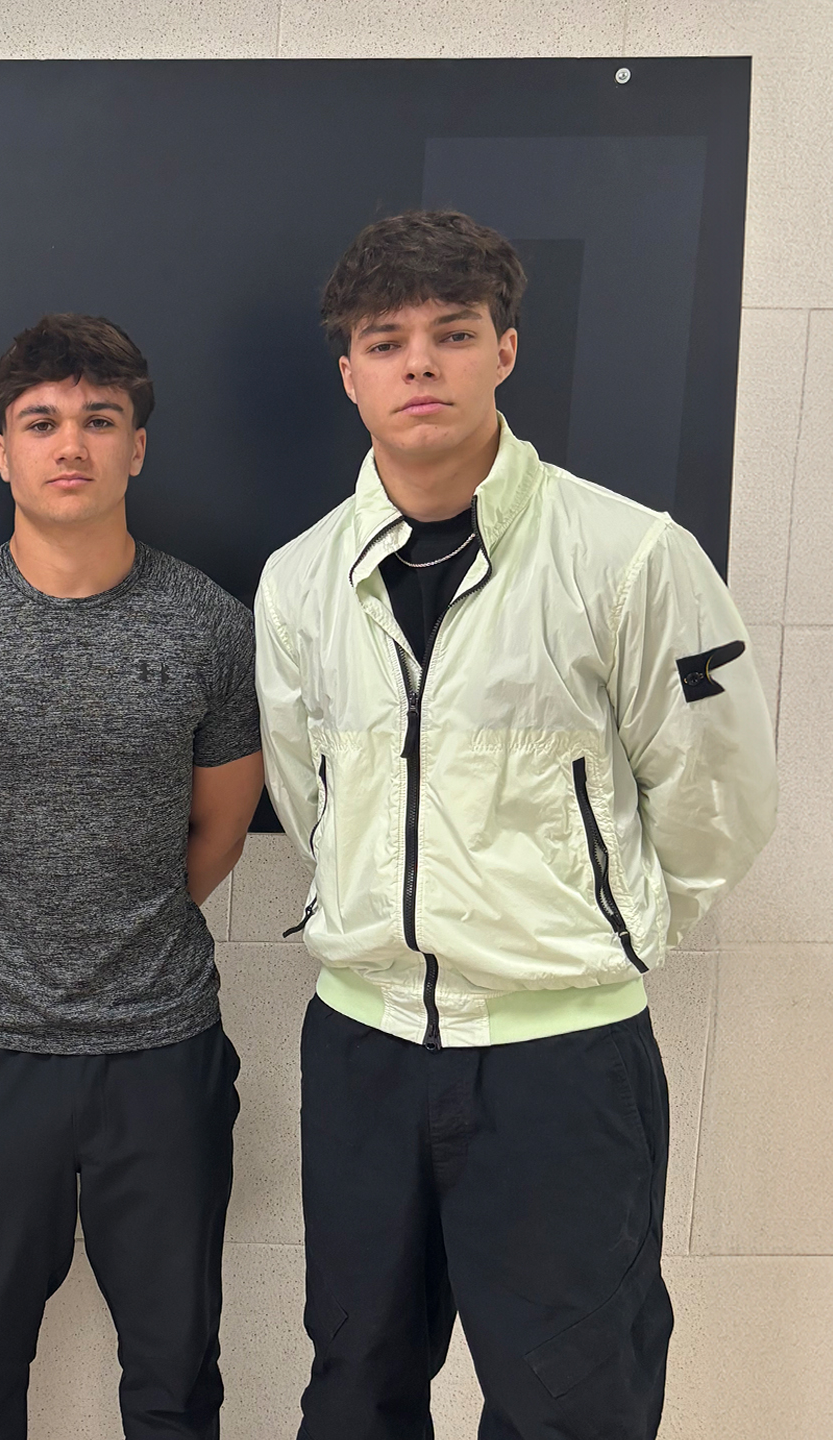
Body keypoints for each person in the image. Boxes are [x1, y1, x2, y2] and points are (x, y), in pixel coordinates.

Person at [254, 210, 778, 1439]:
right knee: (356, 1391)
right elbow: (309, 797)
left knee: (573, 1406)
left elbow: (718, 796)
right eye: (386, 342)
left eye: (453, 333)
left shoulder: (629, 557)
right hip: (365, 1051)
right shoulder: (299, 578)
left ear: (505, 350)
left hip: (561, 1060)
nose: (420, 365)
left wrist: (601, 931)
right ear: (349, 373)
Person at [0, 313, 264, 1440]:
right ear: (2, 452)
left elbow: (221, 827)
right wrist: (18, 941)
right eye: (41, 422)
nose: (71, 444)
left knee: (175, 1376)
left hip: (162, 1052)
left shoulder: (210, 628)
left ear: (136, 448)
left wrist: (124, 931)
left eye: (100, 421)